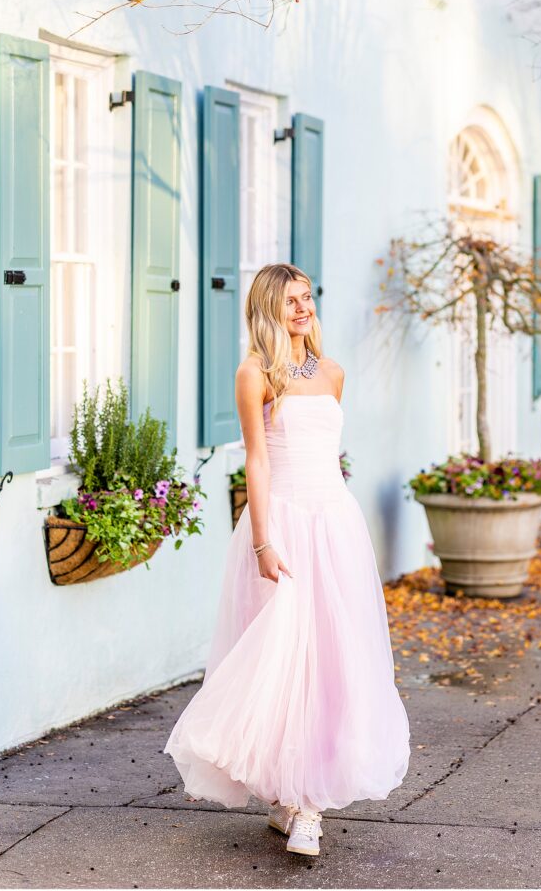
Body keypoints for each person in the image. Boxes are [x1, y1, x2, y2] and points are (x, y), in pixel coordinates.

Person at [164, 263, 410, 857]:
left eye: (306, 298)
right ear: (268, 310)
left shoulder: (333, 372)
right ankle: (300, 807)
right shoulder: (255, 374)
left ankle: (302, 799)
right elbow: (258, 461)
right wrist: (263, 542)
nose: (302, 309)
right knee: (286, 661)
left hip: (336, 525)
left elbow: (329, 453)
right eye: (289, 301)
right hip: (284, 528)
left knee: (332, 659)